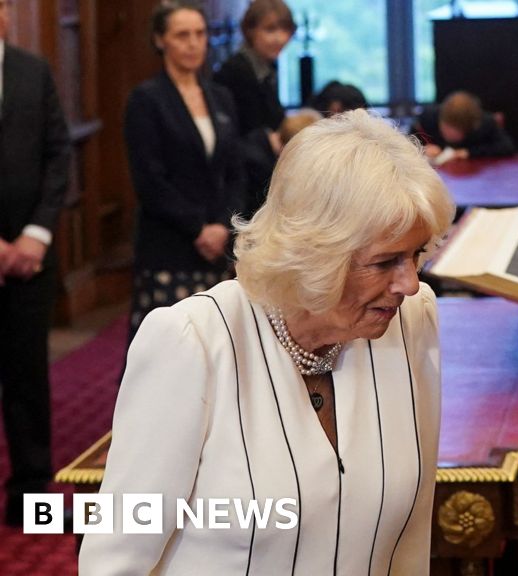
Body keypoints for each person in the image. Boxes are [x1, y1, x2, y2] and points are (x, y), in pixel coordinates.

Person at [79, 110, 455, 574]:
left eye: (416, 255)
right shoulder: (192, 342)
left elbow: (411, 539)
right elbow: (115, 559)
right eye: (385, 262)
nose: (410, 283)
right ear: (316, 253)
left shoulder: (412, 319)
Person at [123, 0, 244, 344]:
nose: (193, 43)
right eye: (182, 35)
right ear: (160, 40)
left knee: (217, 348)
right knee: (168, 349)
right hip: (170, 245)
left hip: (217, 247)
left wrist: (221, 226)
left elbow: (235, 172)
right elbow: (149, 180)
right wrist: (198, 229)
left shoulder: (221, 97)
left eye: (200, 34)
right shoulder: (146, 100)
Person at [0, 0, 71, 527]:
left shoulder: (33, 70)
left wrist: (35, 235)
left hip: (31, 256)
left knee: (27, 376)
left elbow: (58, 154)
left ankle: (29, 495)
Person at [214, 0, 296, 216]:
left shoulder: (266, 68)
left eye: (285, 30)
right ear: (250, 31)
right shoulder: (236, 72)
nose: (279, 38)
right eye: (270, 30)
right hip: (244, 186)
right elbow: (233, 137)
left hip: (258, 175)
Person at [414, 90, 515, 160]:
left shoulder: (484, 123)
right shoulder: (427, 118)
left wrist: (469, 152)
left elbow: (507, 147)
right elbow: (408, 145)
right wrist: (422, 149)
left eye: (456, 132)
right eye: (446, 128)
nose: (450, 135)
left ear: (468, 130)